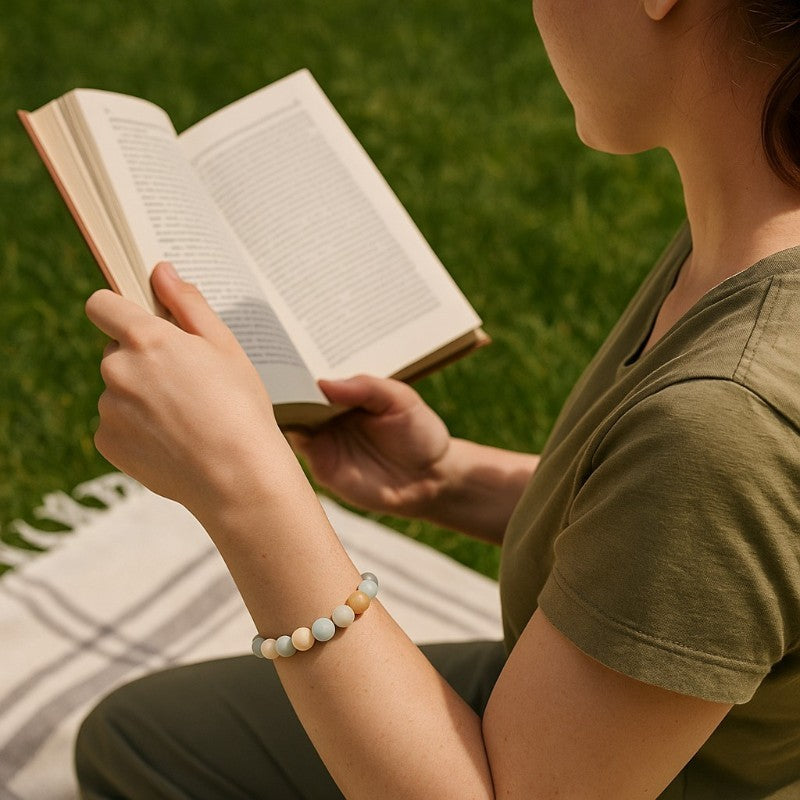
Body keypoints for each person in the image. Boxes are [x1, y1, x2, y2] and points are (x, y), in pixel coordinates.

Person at [74, 0, 800, 797]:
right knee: (138, 740)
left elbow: (716, 475)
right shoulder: (756, 224)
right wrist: (449, 479)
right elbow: (713, 545)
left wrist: (245, 487)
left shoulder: (731, 414)